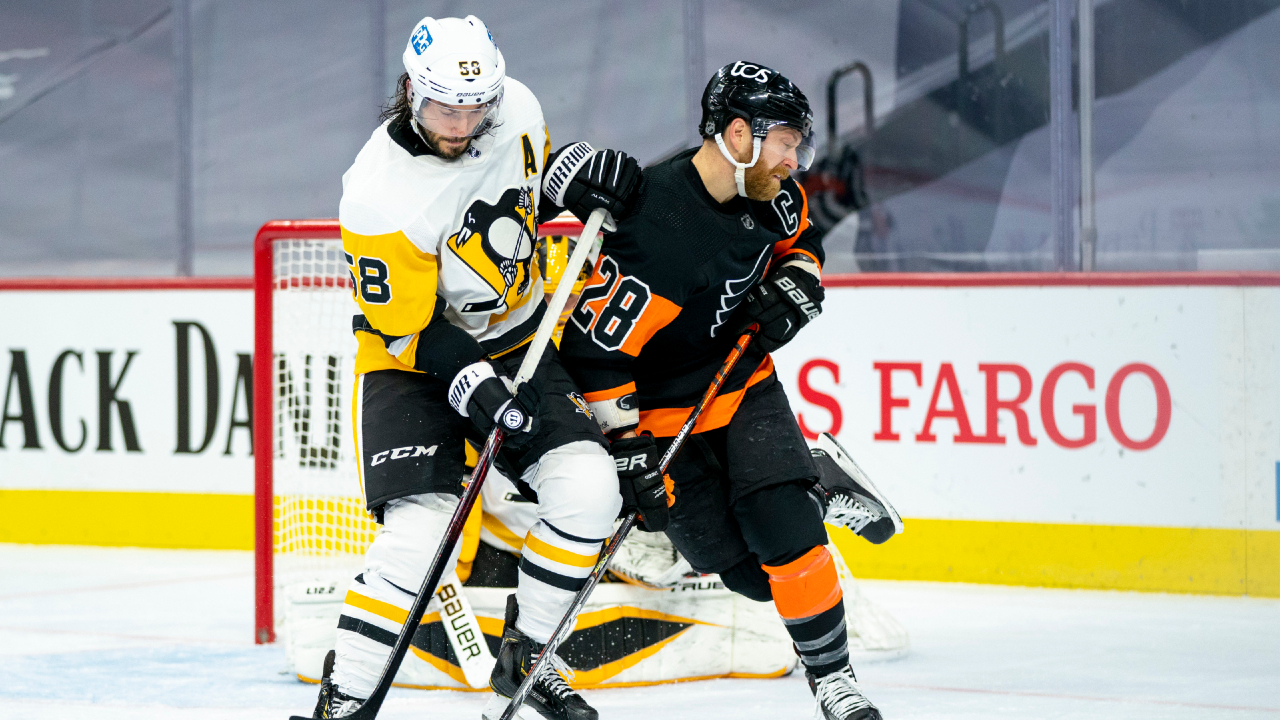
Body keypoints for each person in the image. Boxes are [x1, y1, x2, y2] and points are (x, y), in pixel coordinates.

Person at [305, 15, 642, 720]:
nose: (460, 125)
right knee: (418, 534)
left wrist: (577, 179)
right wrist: (473, 381)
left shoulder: (513, 104)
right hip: (414, 358)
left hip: (519, 334)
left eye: (473, 108)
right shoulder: (376, 193)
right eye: (443, 109)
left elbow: (529, 189)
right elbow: (404, 327)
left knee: (589, 491)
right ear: (409, 90)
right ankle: (347, 697)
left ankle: (530, 656)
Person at [557, 61, 899, 720]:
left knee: (788, 533)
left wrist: (801, 282)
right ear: (739, 135)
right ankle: (822, 480)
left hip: (741, 386)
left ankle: (833, 682)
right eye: (786, 142)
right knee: (747, 576)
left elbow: (802, 242)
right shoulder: (649, 223)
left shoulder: (775, 195)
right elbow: (596, 352)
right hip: (658, 416)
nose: (796, 160)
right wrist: (627, 452)